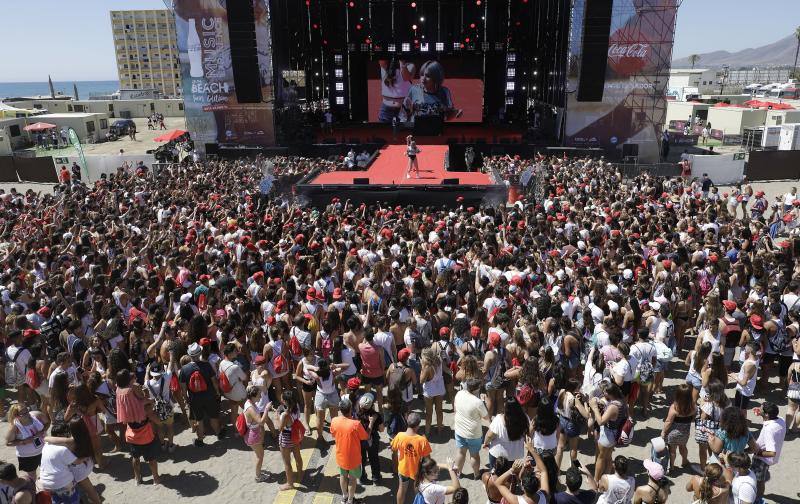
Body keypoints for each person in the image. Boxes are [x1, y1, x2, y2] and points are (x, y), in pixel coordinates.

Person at [115, 369, 162, 485]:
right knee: (151, 458)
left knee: (135, 457)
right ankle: (156, 478)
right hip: (144, 429)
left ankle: (137, 478)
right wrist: (147, 396)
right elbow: (142, 399)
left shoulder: (118, 390)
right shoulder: (133, 388)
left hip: (131, 428)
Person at [178, 342, 223, 447]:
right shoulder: (206, 365)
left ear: (190, 355)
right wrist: (217, 392)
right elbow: (214, 381)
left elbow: (183, 389)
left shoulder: (184, 369)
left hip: (195, 398)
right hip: (209, 396)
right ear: (200, 353)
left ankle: (200, 440)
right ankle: (219, 433)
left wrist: (186, 399)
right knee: (213, 416)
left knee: (199, 420)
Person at [329, 397, 369, 504]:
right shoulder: (356, 424)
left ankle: (344, 497)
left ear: (340, 410)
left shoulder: (334, 421)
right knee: (352, 479)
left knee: (343, 476)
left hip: (341, 456)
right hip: (353, 458)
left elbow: (333, 434)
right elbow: (365, 437)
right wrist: (371, 424)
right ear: (350, 409)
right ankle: (351, 500)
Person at [390, 412, 431, 504]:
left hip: (403, 468)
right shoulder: (422, 440)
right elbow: (428, 459)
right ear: (418, 425)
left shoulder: (400, 435)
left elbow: (393, 449)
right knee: (418, 490)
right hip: (416, 470)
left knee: (402, 489)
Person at [452, 378, 489, 478]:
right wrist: (484, 401)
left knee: (461, 452)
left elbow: (455, 410)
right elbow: (486, 417)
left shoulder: (459, 394)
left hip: (459, 430)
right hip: (473, 434)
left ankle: (457, 474)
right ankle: (476, 474)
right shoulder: (478, 402)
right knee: (474, 455)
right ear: (476, 389)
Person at [750, 401, 786, 500]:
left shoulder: (769, 429)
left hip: (762, 459)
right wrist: (760, 414)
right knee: (759, 479)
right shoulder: (781, 420)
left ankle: (757, 499)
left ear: (766, 414)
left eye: (760, 409)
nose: (759, 409)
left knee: (758, 480)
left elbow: (771, 452)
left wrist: (757, 452)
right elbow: (768, 420)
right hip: (767, 460)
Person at [660, 383, 695, 472]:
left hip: (673, 433)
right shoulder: (693, 407)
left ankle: (671, 466)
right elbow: (693, 418)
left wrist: (663, 432)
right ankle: (684, 461)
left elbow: (668, 421)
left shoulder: (675, 407)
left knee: (672, 450)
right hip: (685, 433)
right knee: (683, 447)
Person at [276, 390, 304, 490]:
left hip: (286, 437)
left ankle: (290, 484)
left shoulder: (284, 414)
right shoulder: (296, 407)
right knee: (298, 456)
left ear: (284, 401)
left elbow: (280, 428)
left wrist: (277, 416)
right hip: (295, 435)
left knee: (287, 462)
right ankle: (301, 474)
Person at [242, 385, 270, 482]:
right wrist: (266, 409)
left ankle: (259, 471)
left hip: (252, 433)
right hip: (253, 435)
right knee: (260, 457)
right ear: (253, 396)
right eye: (259, 395)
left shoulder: (249, 402)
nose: (260, 397)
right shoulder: (250, 408)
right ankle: (258, 476)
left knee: (259, 455)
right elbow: (261, 422)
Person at [355, 392, 383, 484]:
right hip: (372, 439)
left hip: (359, 440)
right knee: (374, 458)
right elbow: (382, 429)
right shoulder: (376, 415)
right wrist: (372, 422)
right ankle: (376, 478)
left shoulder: (356, 414)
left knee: (361, 459)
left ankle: (362, 478)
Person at [378, 58, 415, 123]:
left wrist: (402, 62)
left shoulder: (410, 65)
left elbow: (406, 78)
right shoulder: (385, 64)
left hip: (403, 109)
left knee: (404, 132)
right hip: (386, 109)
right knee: (384, 132)